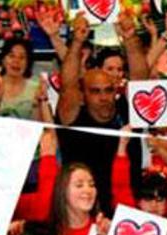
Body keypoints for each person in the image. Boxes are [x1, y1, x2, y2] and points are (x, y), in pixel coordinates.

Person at [56, 12, 146, 213]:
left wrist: (130, 37)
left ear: (116, 89)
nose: (103, 97)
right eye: (95, 91)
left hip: (127, 208)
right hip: (83, 210)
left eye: (108, 90)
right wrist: (77, 41)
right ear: (83, 95)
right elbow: (68, 84)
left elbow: (140, 78)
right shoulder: (73, 115)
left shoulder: (128, 111)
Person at [0, 38, 41, 119]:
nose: (16, 61)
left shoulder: (36, 89)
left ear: (28, 63)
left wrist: (37, 103)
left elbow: (40, 125)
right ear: (3, 60)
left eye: (22, 57)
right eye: (11, 56)